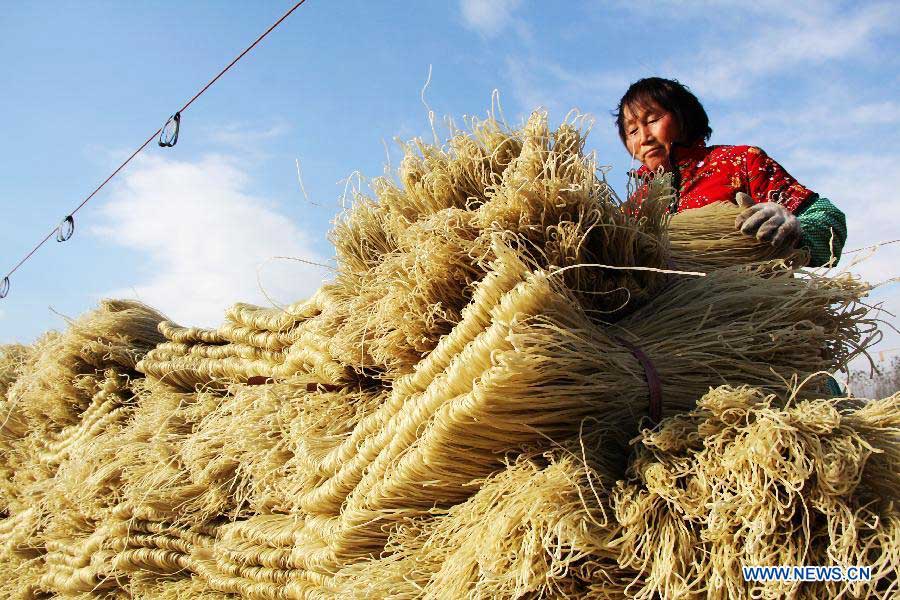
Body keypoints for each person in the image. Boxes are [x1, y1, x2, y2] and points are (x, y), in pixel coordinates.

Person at [615, 77, 846, 267]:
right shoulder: (634, 207)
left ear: (683, 116)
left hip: (752, 314)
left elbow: (829, 222)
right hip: (669, 319)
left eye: (653, 119)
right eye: (632, 130)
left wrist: (796, 228)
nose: (644, 137)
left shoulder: (740, 162)